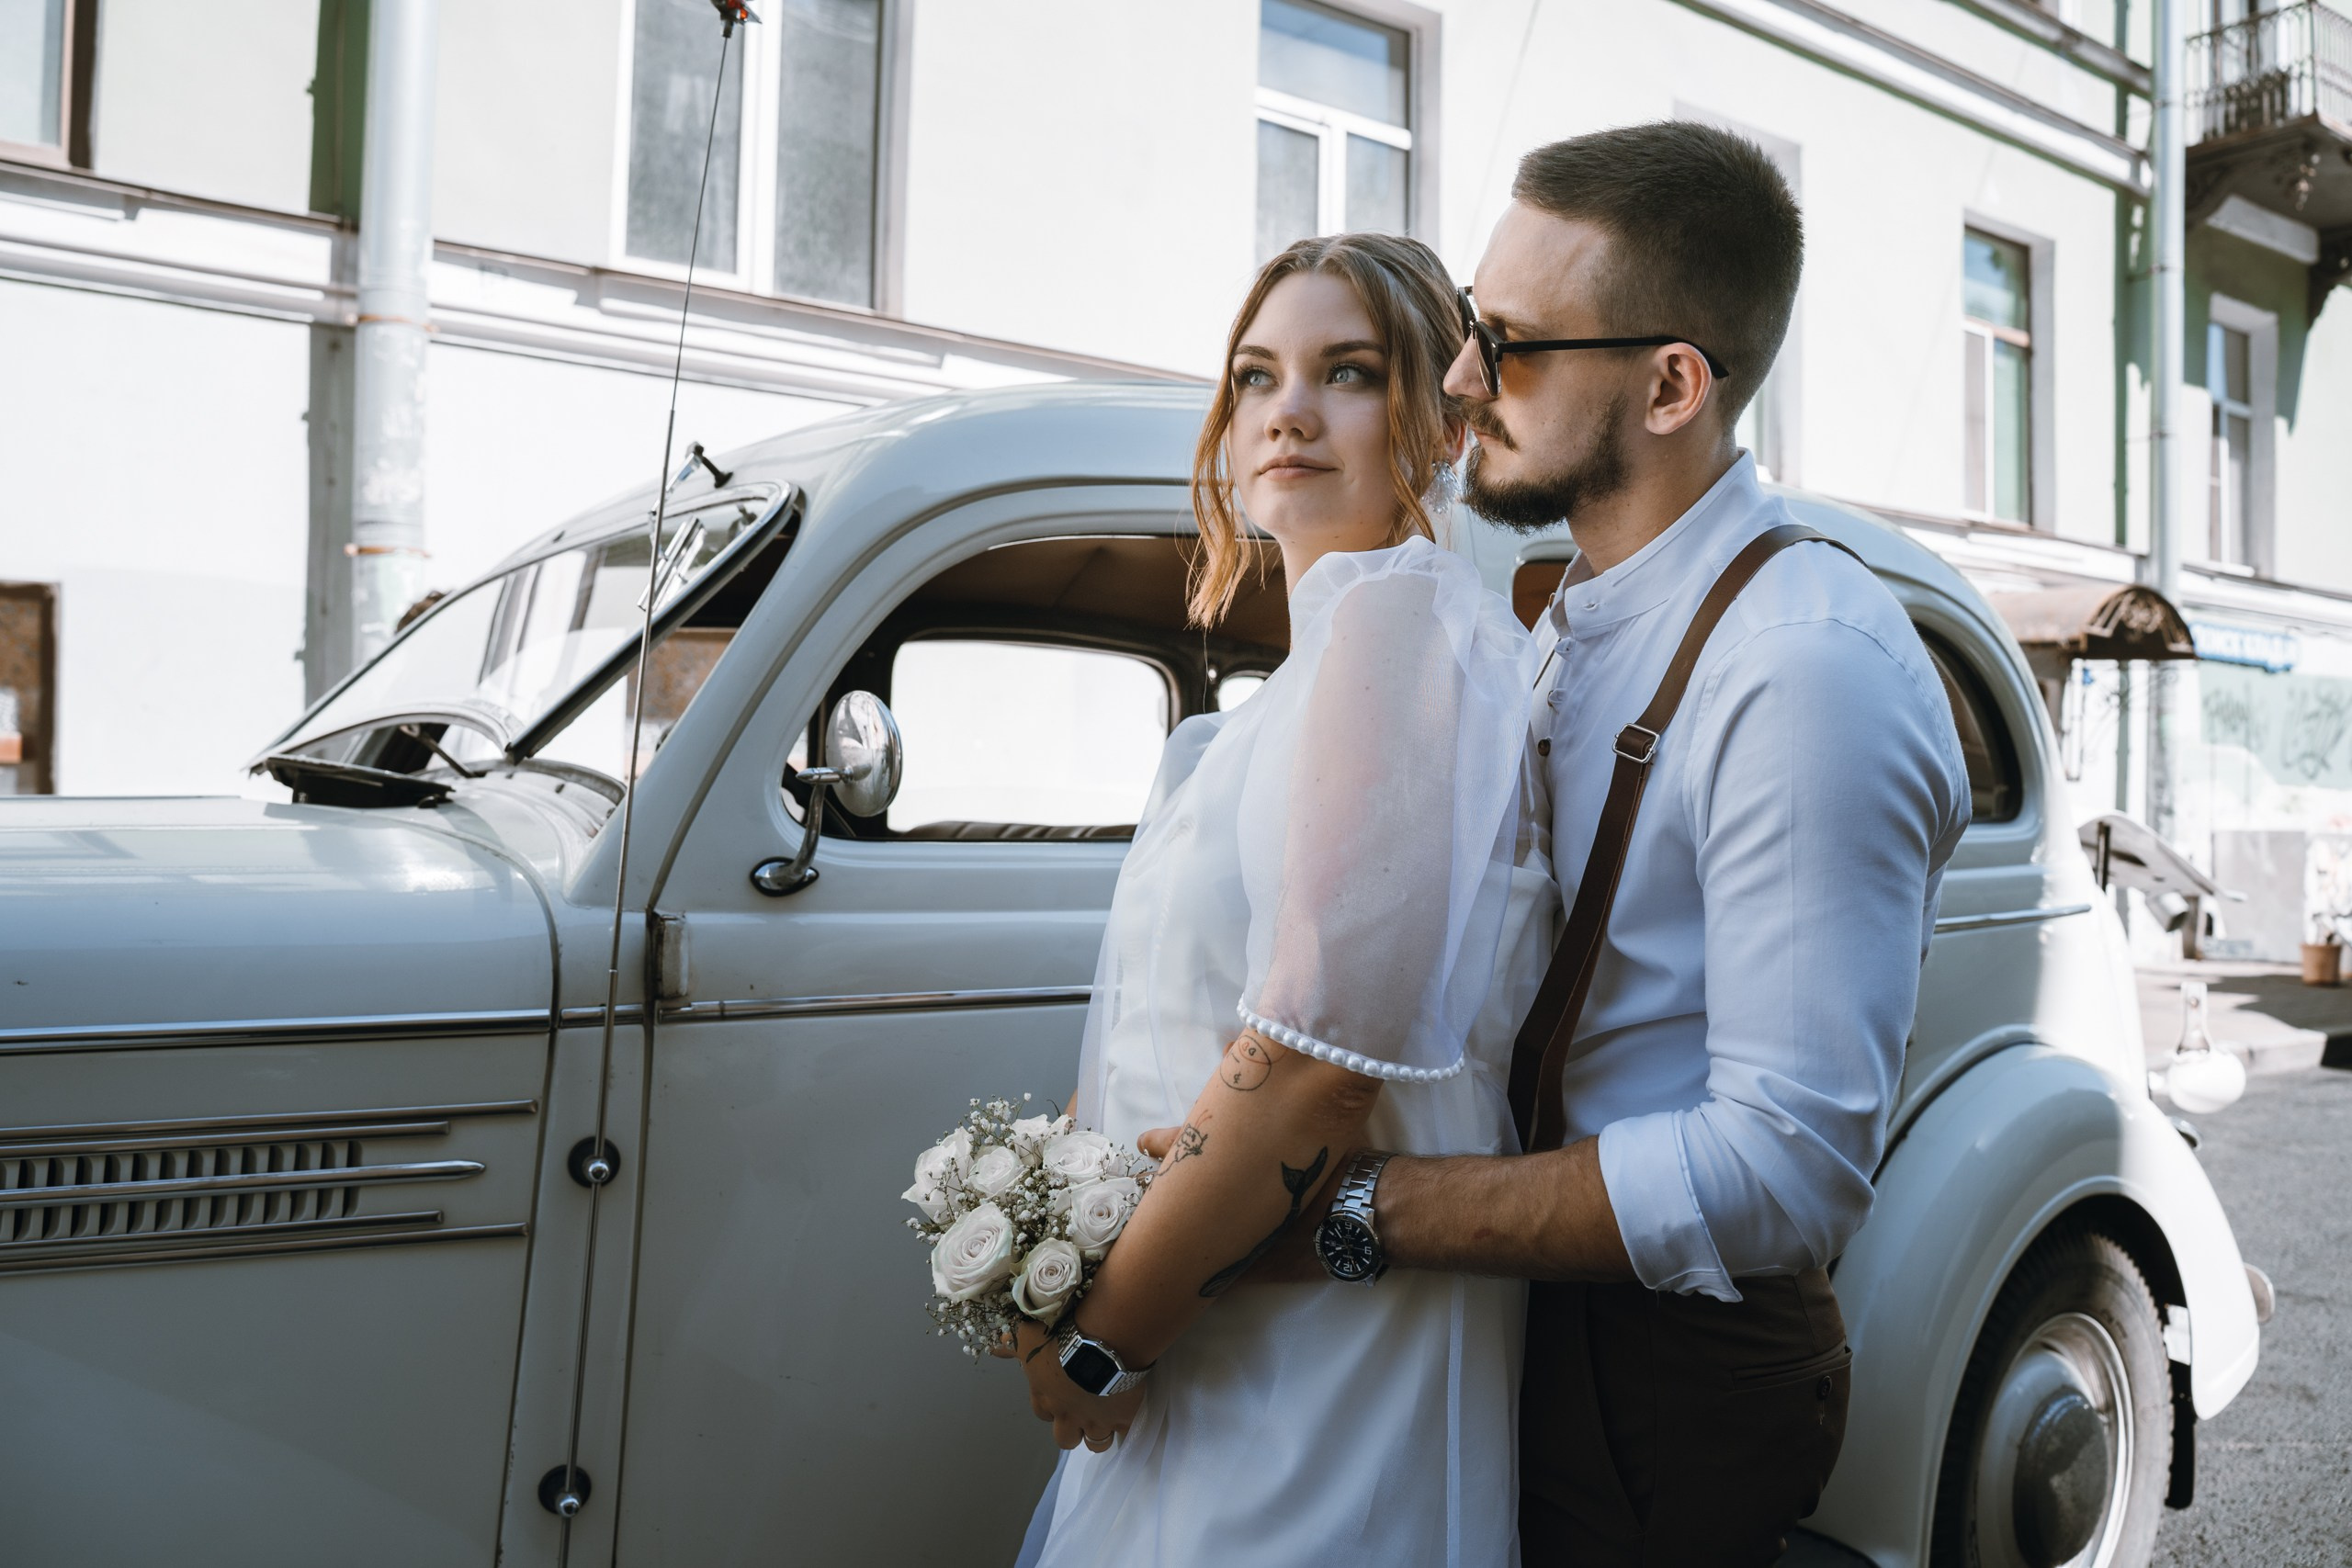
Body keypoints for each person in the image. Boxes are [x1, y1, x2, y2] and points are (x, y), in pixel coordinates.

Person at [1230, 122, 1973, 1565]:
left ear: (1672, 383)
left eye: (1505, 346)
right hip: (1504, 1324)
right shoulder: (1559, 615)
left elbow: (1785, 1166)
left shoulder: (1802, 664)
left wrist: (1356, 1208)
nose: (1457, 381)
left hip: (1658, 1378)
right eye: (1461, 334)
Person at [1001, 231, 1554, 1568]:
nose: (1288, 410)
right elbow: (1163, 1028)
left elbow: (1314, 1071)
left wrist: (1098, 1335)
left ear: (1438, 421)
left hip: (1316, 1347)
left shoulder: (1402, 621)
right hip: (1207, 1299)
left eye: (1348, 373)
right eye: (1257, 376)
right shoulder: (1273, 704)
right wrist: (1046, 1239)